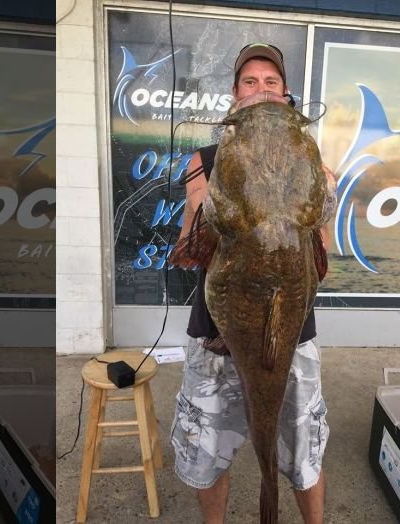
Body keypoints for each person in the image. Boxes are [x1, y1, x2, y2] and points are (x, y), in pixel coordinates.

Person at [169, 43, 333, 524]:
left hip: (292, 328)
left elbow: (324, 254)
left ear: (286, 97)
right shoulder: (204, 159)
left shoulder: (310, 156)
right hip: (218, 328)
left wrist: (328, 195)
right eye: (250, 81)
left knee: (302, 450)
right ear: (235, 95)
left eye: (271, 82)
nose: (261, 89)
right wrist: (203, 205)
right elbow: (186, 250)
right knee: (207, 451)